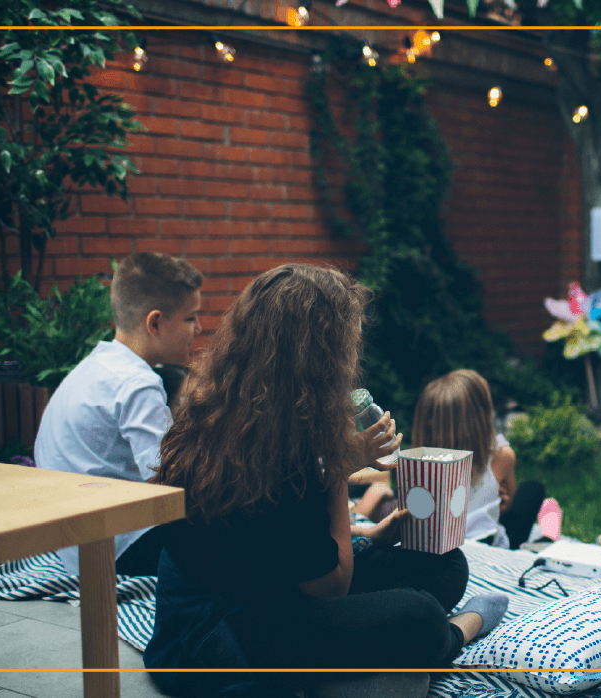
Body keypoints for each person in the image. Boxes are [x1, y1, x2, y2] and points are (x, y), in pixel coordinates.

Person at [143, 264, 508, 697]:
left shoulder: (238, 409)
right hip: (218, 639)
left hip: (269, 594)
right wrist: (337, 466)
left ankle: (372, 657)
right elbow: (330, 587)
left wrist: (370, 537)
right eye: (346, 345)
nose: (351, 361)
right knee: (419, 614)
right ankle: (455, 635)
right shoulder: (278, 446)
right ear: (319, 356)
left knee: (444, 563)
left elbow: (272, 548)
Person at [34, 252, 203, 577]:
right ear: (154, 322)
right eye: (190, 317)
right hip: (116, 550)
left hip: (70, 543)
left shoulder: (98, 364)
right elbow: (169, 483)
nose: (199, 327)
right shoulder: (138, 384)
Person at [412, 369, 545, 550]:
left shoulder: (418, 465)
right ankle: (549, 535)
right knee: (533, 490)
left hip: (436, 545)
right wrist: (499, 506)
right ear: (481, 416)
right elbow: (507, 508)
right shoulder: (502, 456)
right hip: (486, 544)